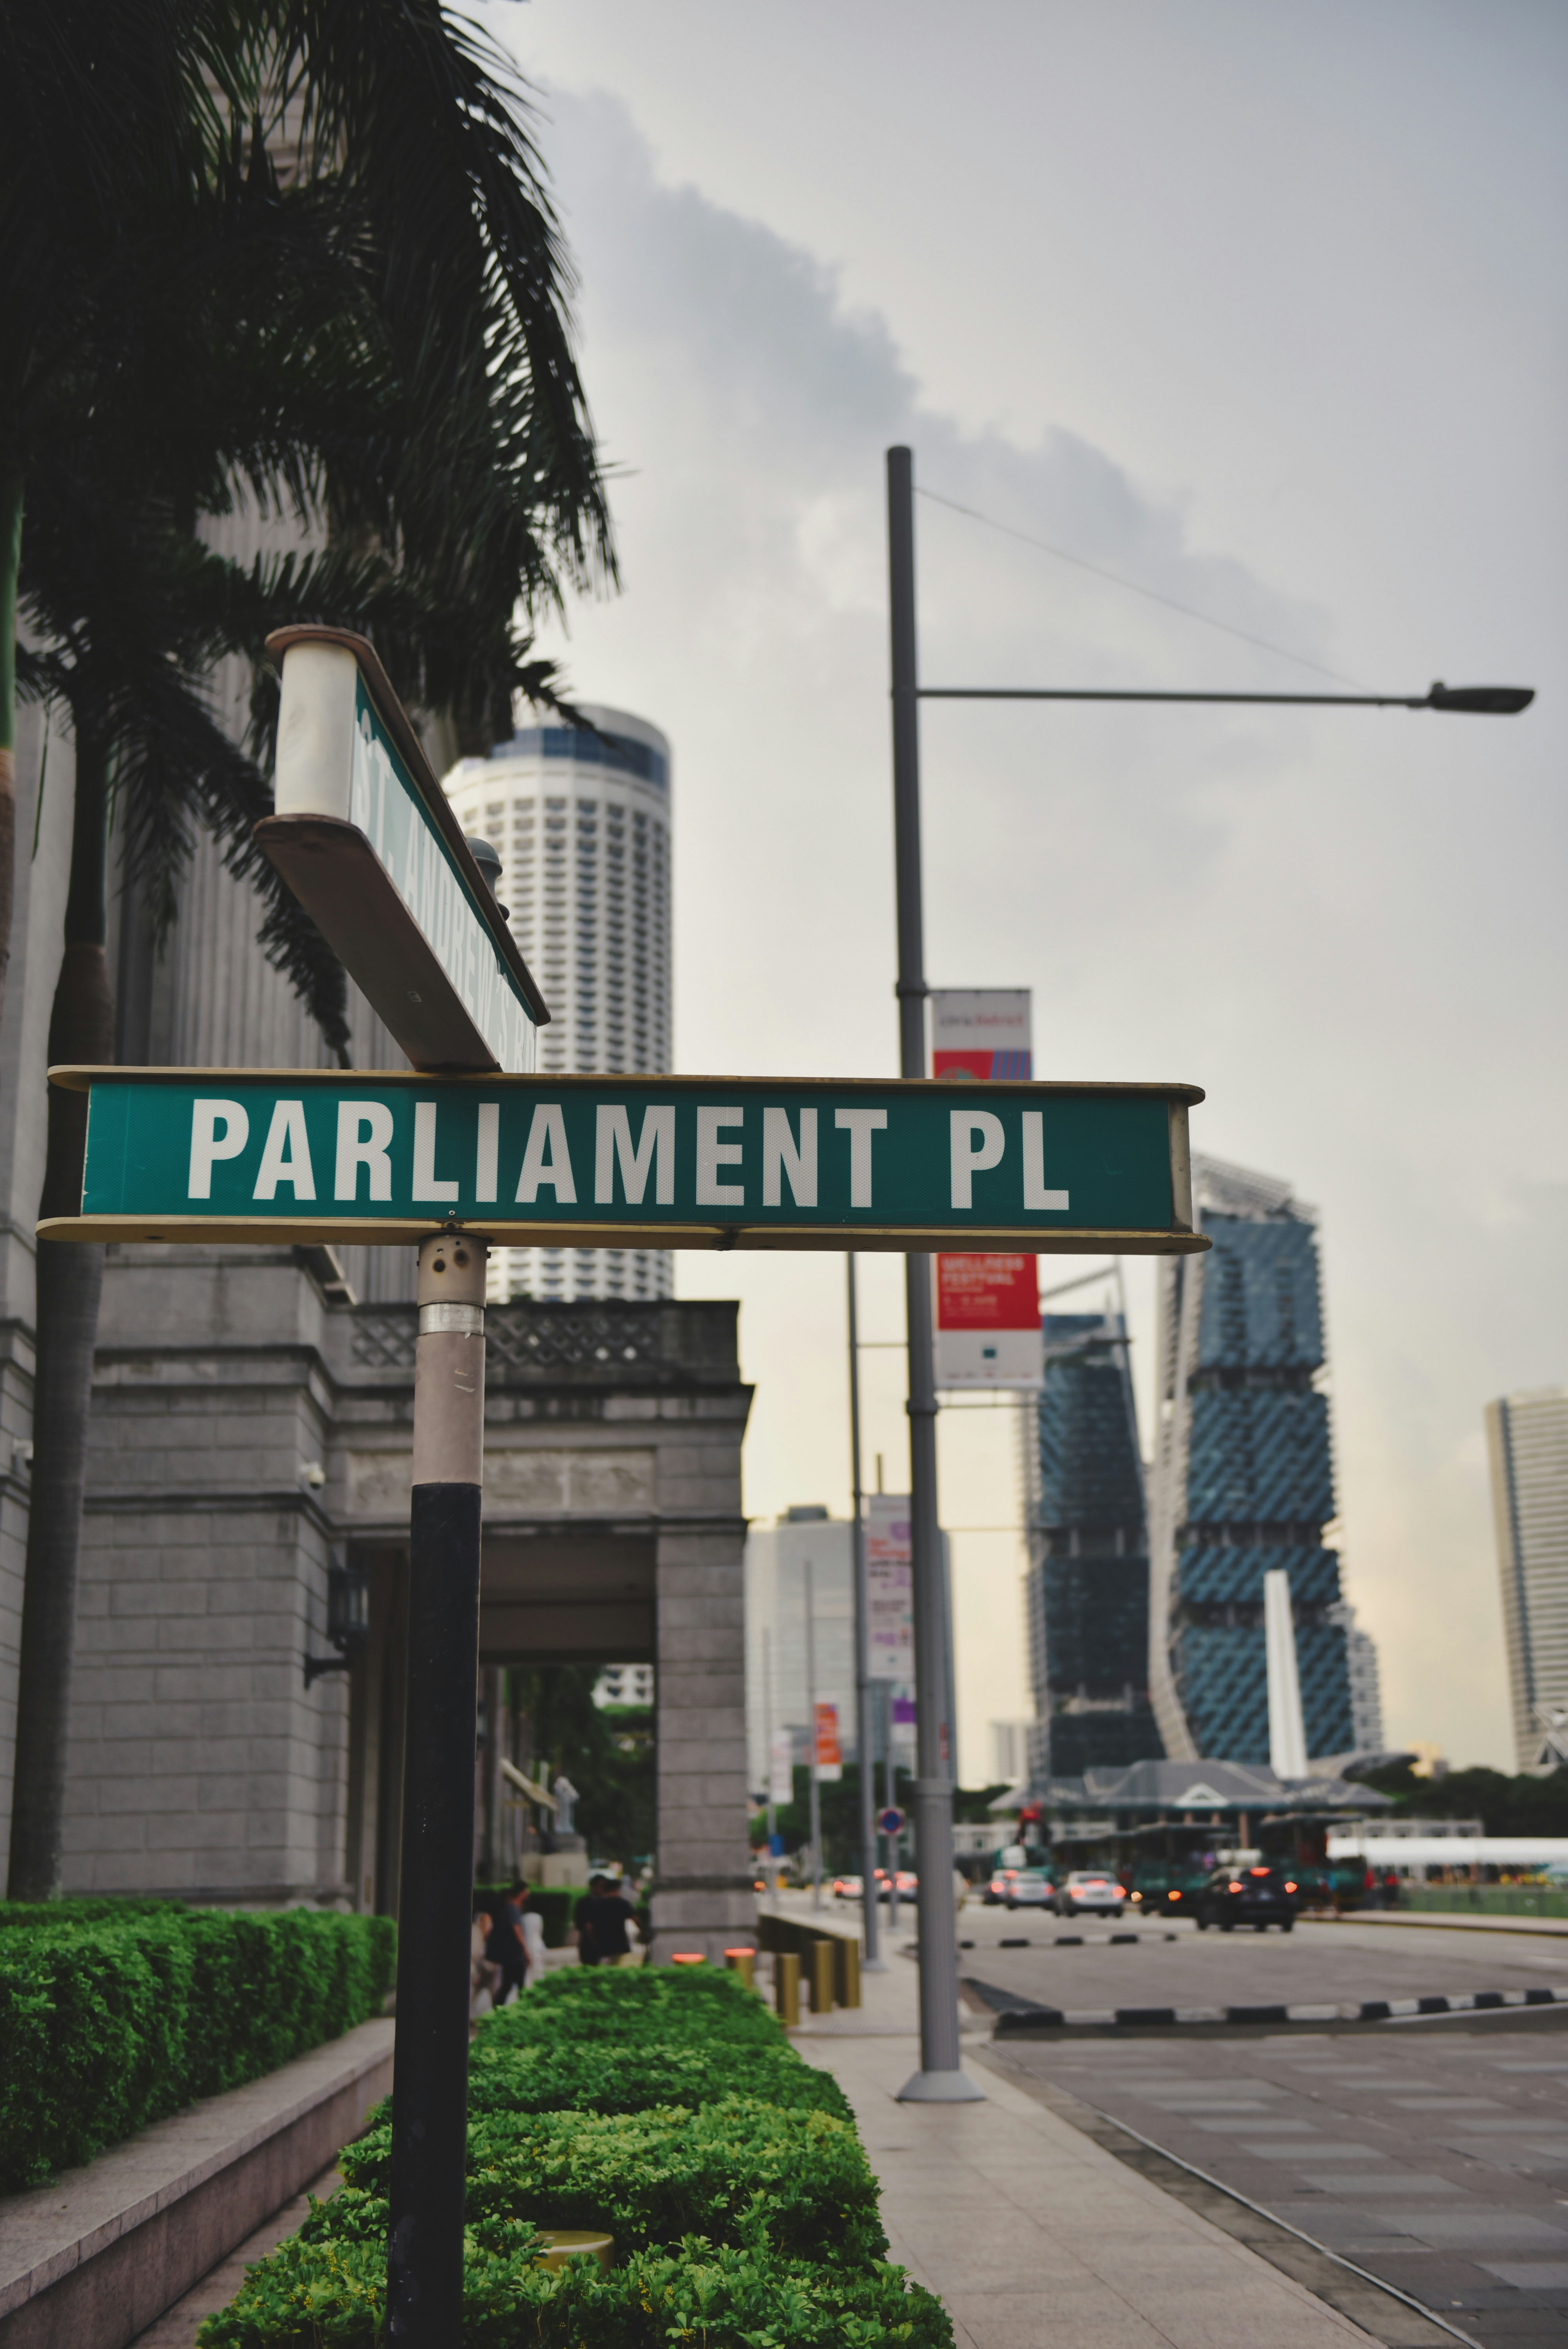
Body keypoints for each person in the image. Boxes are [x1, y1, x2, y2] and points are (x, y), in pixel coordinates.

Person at [574, 1873, 638, 1968]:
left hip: (598, 1946)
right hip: (594, 1946)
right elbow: (586, 1927)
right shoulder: (589, 1903)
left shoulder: (593, 1903)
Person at [485, 1880, 530, 2004]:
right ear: (522, 1893)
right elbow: (517, 1929)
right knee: (516, 1985)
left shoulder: (511, 1908)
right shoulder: (512, 1908)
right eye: (526, 1892)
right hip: (514, 1955)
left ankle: (500, 2009)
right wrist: (526, 1951)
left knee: (509, 1984)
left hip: (512, 1955)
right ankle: (520, 2010)